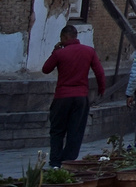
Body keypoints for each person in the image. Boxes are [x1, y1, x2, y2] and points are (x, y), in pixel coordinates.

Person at [42, 24, 105, 166]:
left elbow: (46, 69)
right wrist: (101, 89)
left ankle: (55, 162)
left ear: (64, 37)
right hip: (81, 97)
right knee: (75, 131)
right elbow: (100, 73)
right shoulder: (89, 51)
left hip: (62, 97)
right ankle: (68, 160)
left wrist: (55, 51)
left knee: (57, 131)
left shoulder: (60, 53)